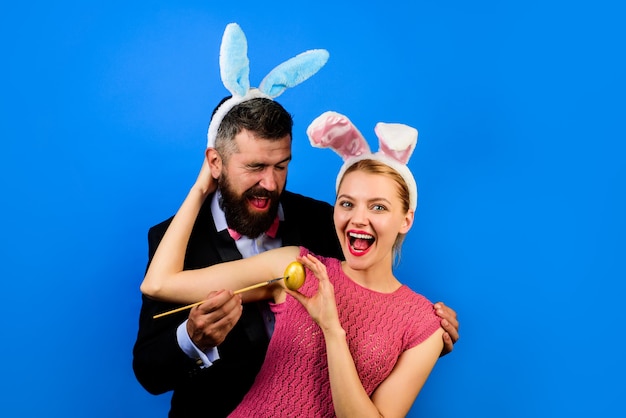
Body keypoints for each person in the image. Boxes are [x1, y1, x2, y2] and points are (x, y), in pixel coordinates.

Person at [133, 23, 459, 417]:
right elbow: (149, 366)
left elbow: (375, 313)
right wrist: (191, 338)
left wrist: (421, 336)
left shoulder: (326, 224)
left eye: (281, 166)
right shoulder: (176, 239)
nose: (270, 183)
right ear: (215, 163)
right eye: (255, 166)